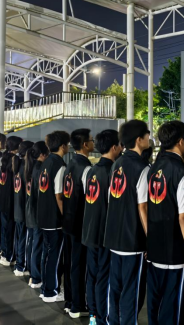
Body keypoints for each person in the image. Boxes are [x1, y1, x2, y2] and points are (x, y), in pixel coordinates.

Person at [146, 121, 184, 325]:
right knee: (174, 304)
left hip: (155, 247)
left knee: (156, 301)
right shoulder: (182, 172)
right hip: (176, 251)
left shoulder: (152, 169)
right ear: (180, 141)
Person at [105, 120, 150, 325]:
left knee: (115, 285)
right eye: (147, 135)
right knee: (132, 289)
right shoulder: (142, 168)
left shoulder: (117, 164)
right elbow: (143, 207)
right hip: (133, 239)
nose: (149, 138)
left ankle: (113, 321)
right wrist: (150, 238)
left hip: (114, 235)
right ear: (139, 139)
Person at [83, 130, 122, 325]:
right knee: (104, 278)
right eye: (120, 145)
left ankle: (93, 316)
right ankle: (102, 319)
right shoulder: (112, 172)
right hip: (104, 232)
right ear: (114, 147)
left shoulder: (92, 170)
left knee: (92, 275)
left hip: (90, 229)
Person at [61, 128, 94, 318]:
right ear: (85, 144)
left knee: (70, 263)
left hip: (68, 220)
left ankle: (70, 301)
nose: (93, 143)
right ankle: (78, 305)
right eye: (91, 140)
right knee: (79, 265)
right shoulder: (86, 168)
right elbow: (90, 199)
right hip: (79, 222)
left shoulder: (70, 164)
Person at [37, 131, 70, 303]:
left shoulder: (46, 162)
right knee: (54, 257)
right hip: (54, 219)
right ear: (63, 146)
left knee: (47, 254)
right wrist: (66, 217)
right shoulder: (59, 165)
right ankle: (51, 291)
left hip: (43, 216)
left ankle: (46, 288)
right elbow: (59, 196)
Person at [25, 141, 49, 289]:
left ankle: (33, 275)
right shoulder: (40, 169)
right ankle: (36, 277)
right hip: (37, 212)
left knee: (34, 243)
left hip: (31, 210)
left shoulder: (32, 166)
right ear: (43, 154)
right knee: (38, 245)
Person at [0, 136, 23, 267]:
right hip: (10, 199)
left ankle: (4, 254)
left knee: (4, 228)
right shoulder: (16, 160)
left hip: (2, 198)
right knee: (10, 230)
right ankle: (9, 256)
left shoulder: (3, 157)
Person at [13, 140, 34, 276]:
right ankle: (21, 266)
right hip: (24, 210)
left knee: (19, 238)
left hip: (18, 208)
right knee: (24, 240)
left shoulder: (18, 164)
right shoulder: (27, 167)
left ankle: (19, 264)